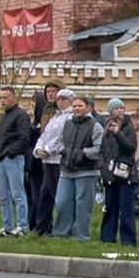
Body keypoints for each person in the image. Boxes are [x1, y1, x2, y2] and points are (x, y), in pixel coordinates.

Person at [52, 95, 103, 239]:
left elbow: (99, 148)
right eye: (74, 106)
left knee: (83, 205)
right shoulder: (67, 124)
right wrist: (63, 150)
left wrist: (83, 153)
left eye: (80, 106)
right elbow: (60, 142)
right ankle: (61, 233)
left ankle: (81, 236)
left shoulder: (95, 126)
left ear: (87, 107)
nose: (77, 109)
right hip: (66, 170)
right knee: (62, 202)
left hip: (86, 171)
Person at [0, 89, 35, 238]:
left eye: (6, 97)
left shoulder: (21, 115)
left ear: (14, 97)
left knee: (18, 193)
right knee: (3, 195)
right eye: (1, 98)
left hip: (13, 158)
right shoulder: (4, 117)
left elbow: (24, 138)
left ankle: (22, 225)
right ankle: (7, 225)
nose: (3, 100)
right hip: (1, 158)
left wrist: (11, 151)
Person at [97, 98, 139, 247]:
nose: (120, 111)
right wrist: (102, 168)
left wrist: (118, 133)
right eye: (116, 108)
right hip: (110, 174)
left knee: (126, 208)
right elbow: (102, 150)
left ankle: (128, 241)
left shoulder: (128, 127)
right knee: (110, 207)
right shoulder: (106, 128)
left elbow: (130, 148)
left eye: (122, 108)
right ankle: (107, 237)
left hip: (125, 173)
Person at [29, 90, 70, 238]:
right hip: (47, 161)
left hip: (58, 160)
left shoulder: (69, 118)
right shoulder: (55, 117)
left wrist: (47, 149)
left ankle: (60, 228)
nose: (60, 102)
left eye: (64, 99)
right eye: (59, 100)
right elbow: (45, 134)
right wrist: (38, 148)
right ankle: (42, 227)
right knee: (45, 195)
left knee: (57, 196)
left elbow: (62, 137)